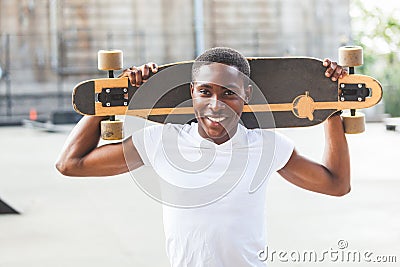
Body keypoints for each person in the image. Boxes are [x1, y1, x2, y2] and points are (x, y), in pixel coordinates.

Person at [56, 47, 350, 267]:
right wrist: (112, 96)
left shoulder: (266, 146)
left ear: (247, 94)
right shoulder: (161, 140)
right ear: (192, 91)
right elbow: (70, 164)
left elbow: (337, 185)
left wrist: (331, 106)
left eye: (229, 93)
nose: (215, 105)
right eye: (206, 92)